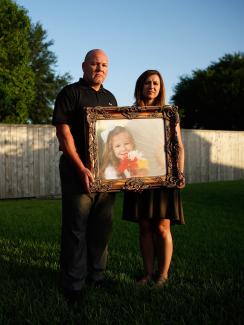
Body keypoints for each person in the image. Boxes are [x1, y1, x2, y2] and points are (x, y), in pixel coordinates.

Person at [52, 49, 117, 302]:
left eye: (103, 65)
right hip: (76, 171)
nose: (98, 68)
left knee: (102, 227)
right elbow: (63, 134)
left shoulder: (111, 98)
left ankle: (96, 276)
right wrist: (81, 168)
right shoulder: (70, 93)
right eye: (94, 64)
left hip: (106, 175)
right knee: (76, 228)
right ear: (83, 66)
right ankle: (73, 284)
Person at [122, 70, 185, 286]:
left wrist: (179, 173)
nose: (152, 87)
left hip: (164, 178)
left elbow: (179, 147)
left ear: (161, 87)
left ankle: (163, 274)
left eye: (156, 83)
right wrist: (127, 176)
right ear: (140, 86)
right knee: (145, 227)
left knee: (162, 227)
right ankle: (148, 273)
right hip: (138, 176)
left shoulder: (169, 114)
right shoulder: (129, 115)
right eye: (147, 83)